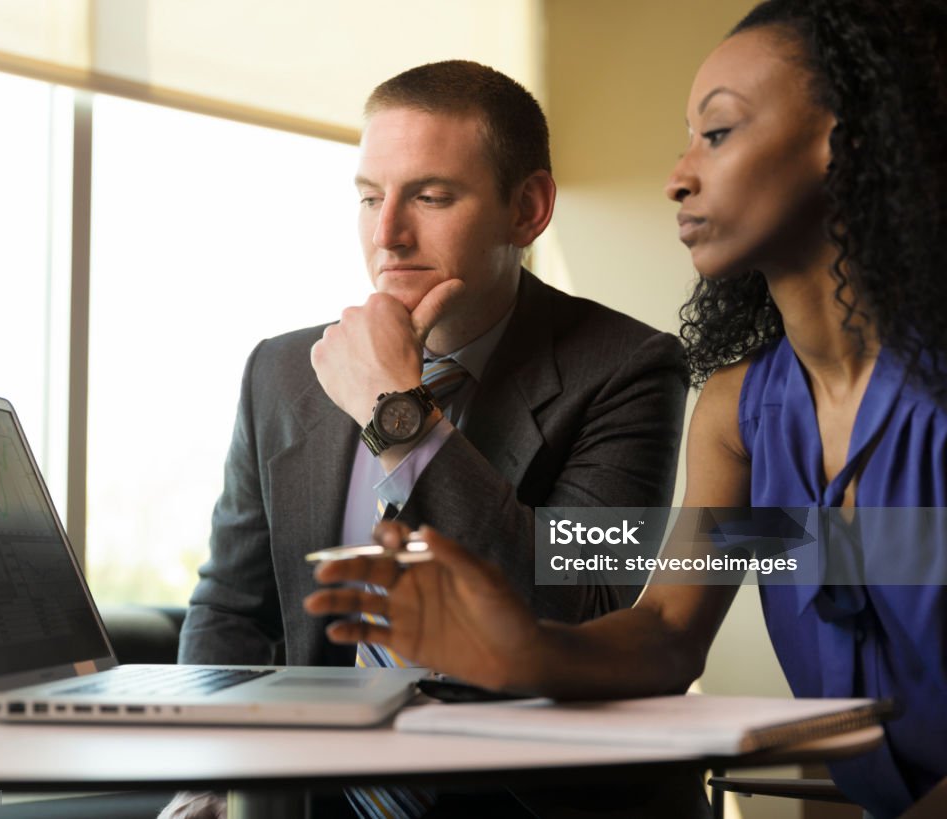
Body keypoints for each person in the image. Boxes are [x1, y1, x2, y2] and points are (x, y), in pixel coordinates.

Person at [304, 1, 947, 816]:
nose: (678, 175)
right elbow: (669, 633)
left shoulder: (634, 371)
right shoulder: (743, 413)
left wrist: (402, 416)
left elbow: (584, 568)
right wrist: (521, 647)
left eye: (716, 133)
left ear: (845, 145)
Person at [177, 60, 689, 671]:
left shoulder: (628, 367)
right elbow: (231, 611)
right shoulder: (281, 369)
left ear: (528, 208)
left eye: (430, 197)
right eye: (370, 198)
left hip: (509, 760)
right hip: (313, 759)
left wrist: (397, 411)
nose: (387, 234)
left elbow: (578, 607)